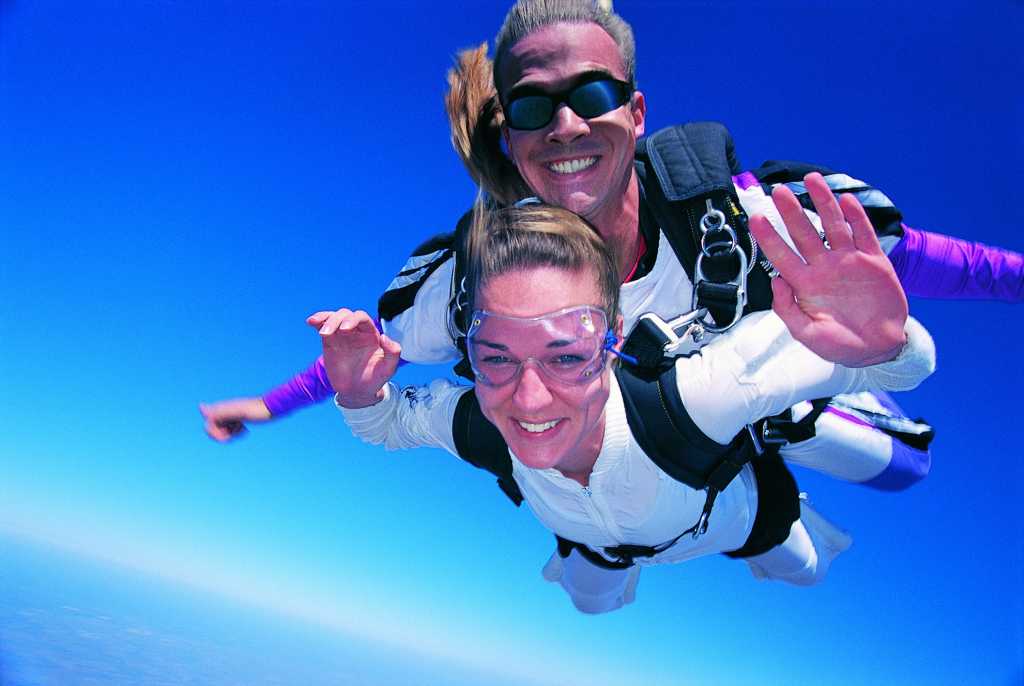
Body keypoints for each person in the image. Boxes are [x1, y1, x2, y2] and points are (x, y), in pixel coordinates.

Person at [201, 0, 1019, 489]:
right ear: (510, 134)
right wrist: (266, 406)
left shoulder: (739, 221)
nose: (564, 126)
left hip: (771, 370)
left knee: (906, 472)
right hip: (657, 425)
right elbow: (367, 357)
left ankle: (801, 410)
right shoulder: (476, 279)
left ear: (635, 113)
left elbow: (924, 263)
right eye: (531, 108)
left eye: (592, 94)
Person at [317, 190, 934, 614]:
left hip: (737, 516)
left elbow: (899, 366)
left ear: (613, 336)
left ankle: (782, 432)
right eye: (496, 356)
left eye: (566, 355)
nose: (528, 400)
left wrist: (886, 343)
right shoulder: (483, 422)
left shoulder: (700, 397)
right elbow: (389, 424)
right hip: (600, 546)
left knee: (806, 567)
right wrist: (356, 390)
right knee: (590, 601)